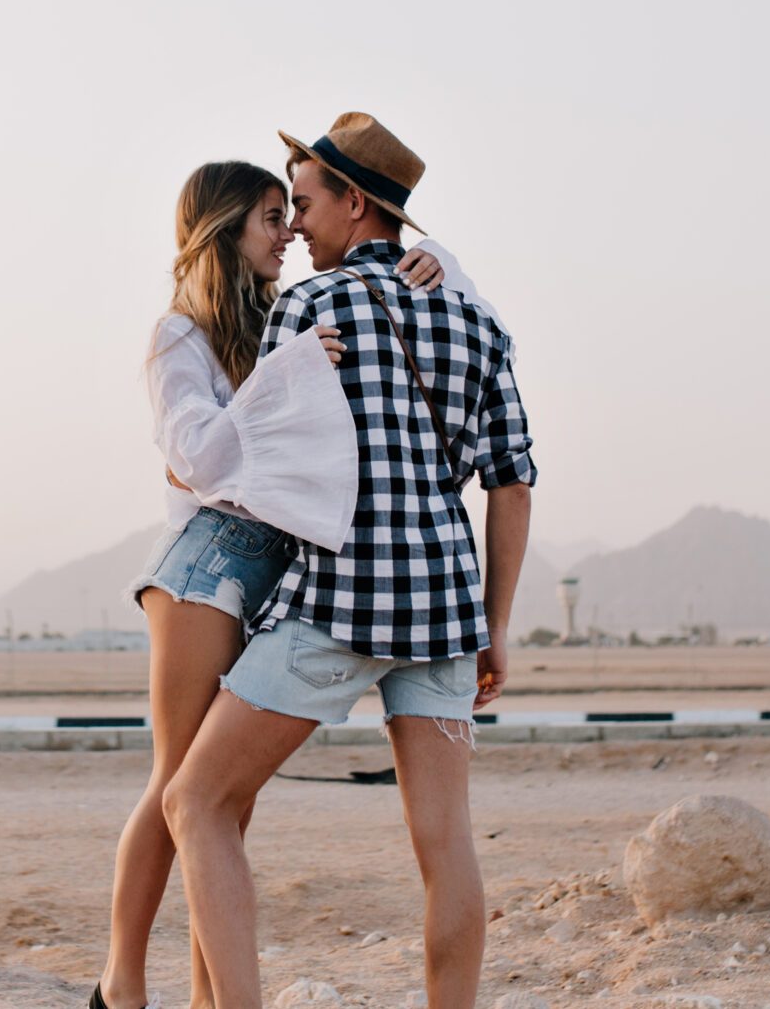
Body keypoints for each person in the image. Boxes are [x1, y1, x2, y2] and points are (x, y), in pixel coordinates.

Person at [162, 113, 537, 1009]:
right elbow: (512, 485)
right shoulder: (477, 320)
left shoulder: (310, 308)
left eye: (302, 204)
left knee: (196, 803)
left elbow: (257, 462)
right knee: (447, 848)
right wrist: (495, 626)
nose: (293, 226)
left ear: (354, 203)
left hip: (338, 597)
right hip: (446, 604)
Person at [95, 158, 484, 1009]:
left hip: (280, 569)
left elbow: (409, 298)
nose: (289, 232)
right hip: (210, 563)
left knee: (224, 809)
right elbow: (197, 458)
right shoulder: (180, 336)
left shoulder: (284, 314)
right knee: (179, 788)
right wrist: (284, 376)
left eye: (291, 212)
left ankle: (205, 996)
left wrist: (436, 258)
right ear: (224, 228)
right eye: (270, 218)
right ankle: (121, 984)